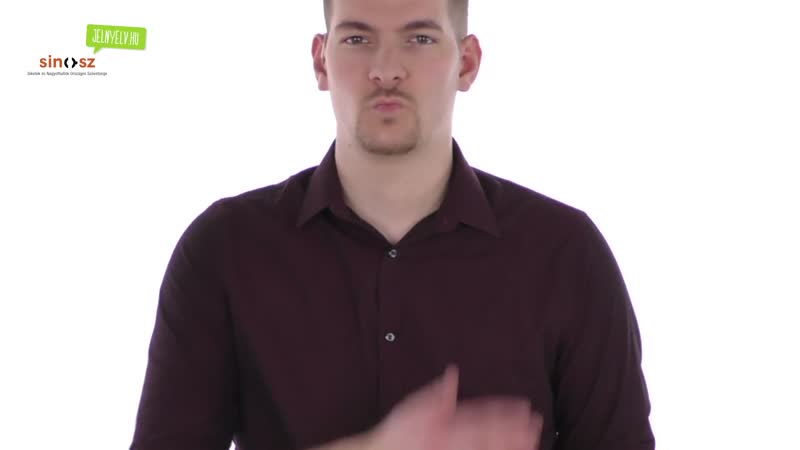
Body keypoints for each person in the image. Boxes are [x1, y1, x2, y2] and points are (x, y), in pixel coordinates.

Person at [129, 0, 655, 449]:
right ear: (321, 61)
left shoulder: (565, 253)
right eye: (358, 38)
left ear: (468, 63)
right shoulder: (224, 250)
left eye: (419, 38)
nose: (386, 69)